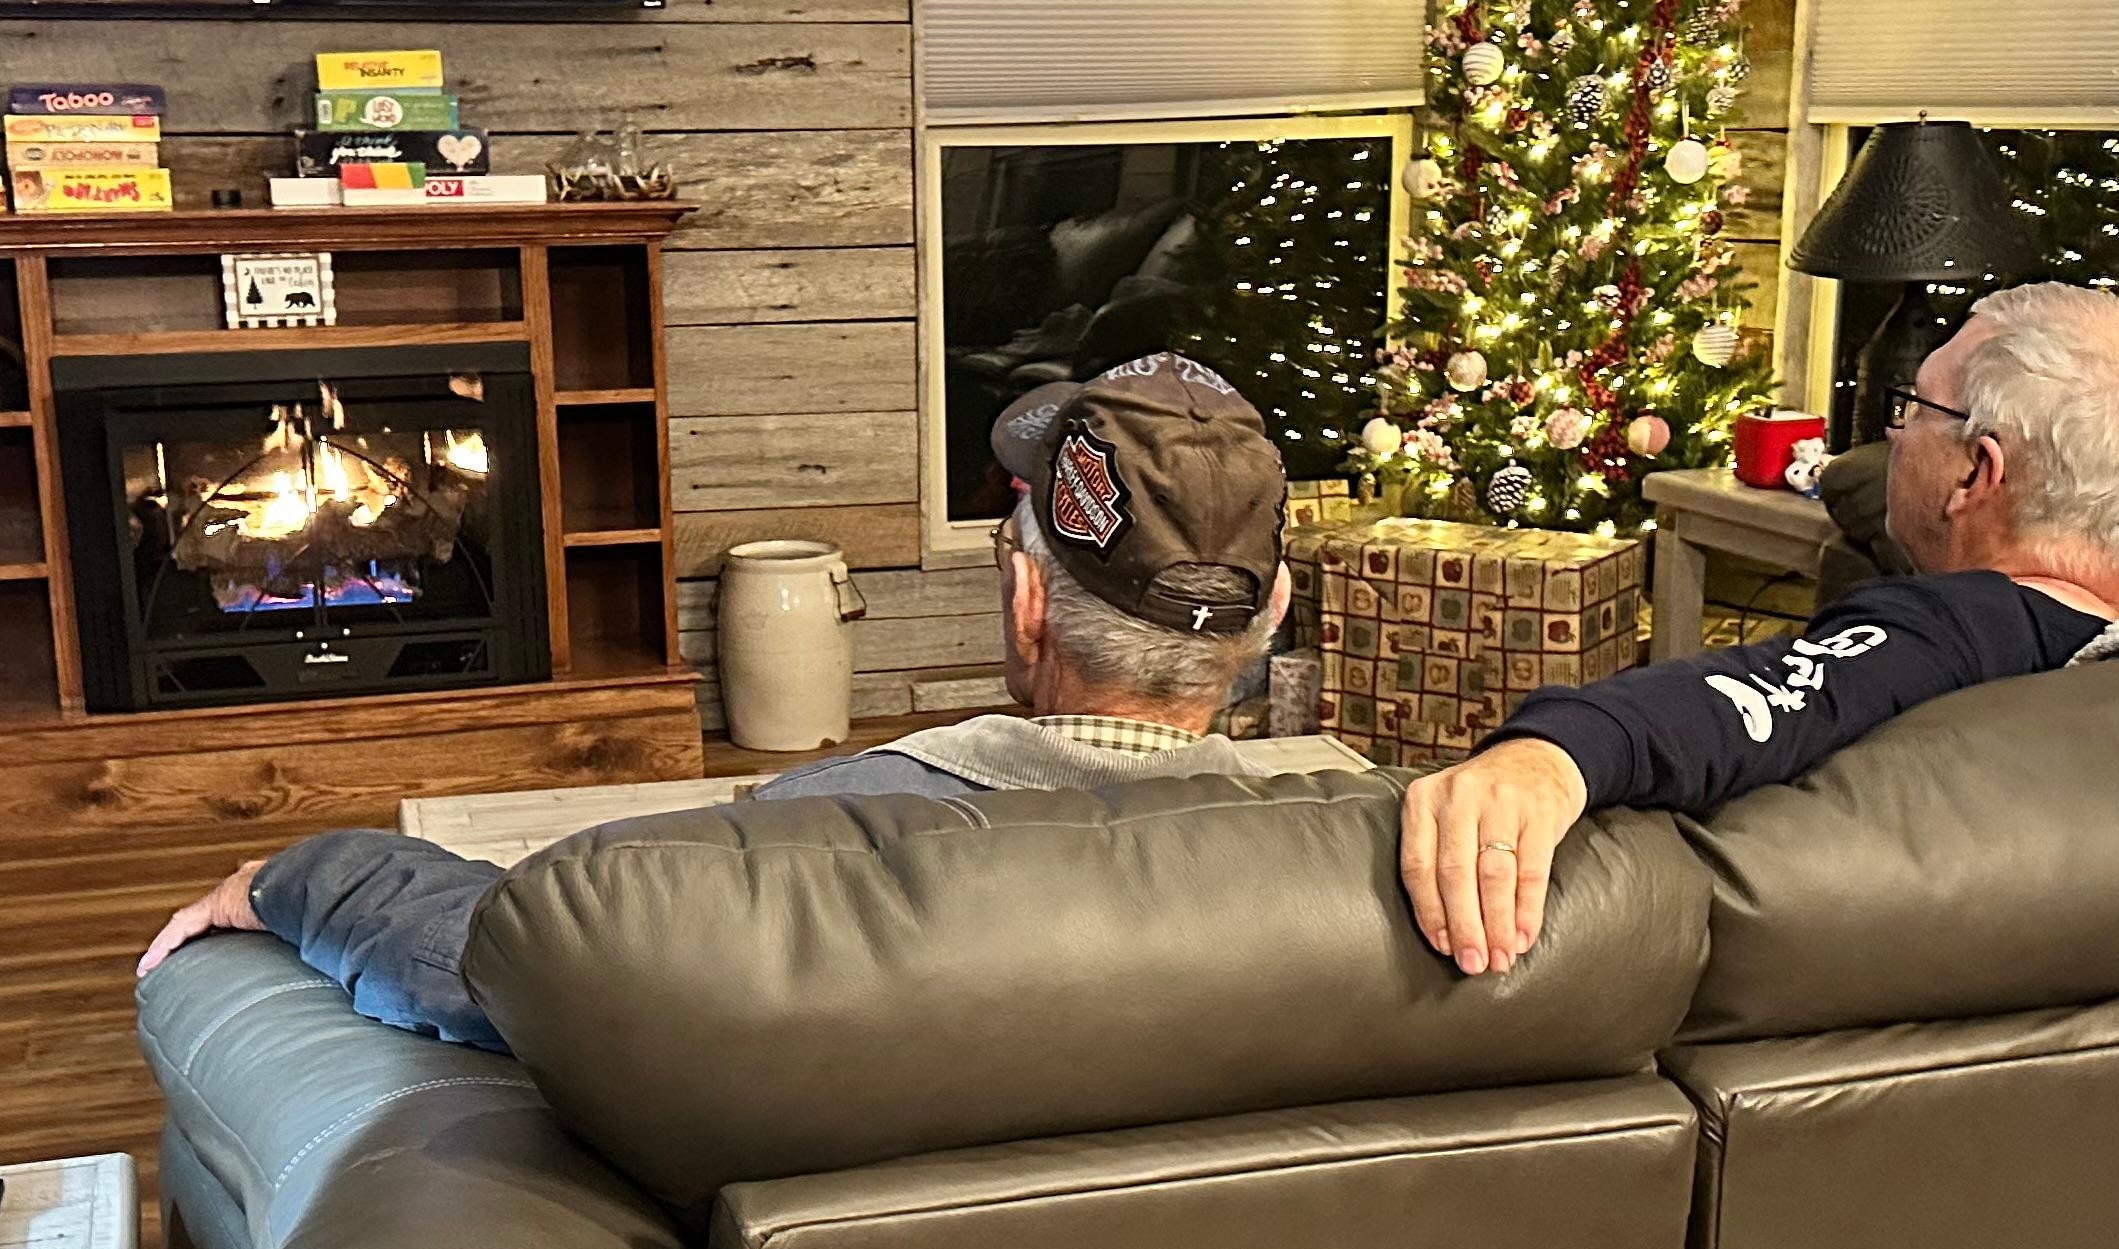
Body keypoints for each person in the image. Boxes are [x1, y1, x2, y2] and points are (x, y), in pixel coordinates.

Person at [138, 353, 1334, 1045]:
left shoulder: (811, 848)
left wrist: (302, 877)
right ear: (1273, 608)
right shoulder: (1361, 863)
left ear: (1026, 599)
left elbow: (525, 950)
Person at [1399, 281, 2119, 977]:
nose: (1893, 434)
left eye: (1915, 408)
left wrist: (1553, 754)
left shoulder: (1955, 632)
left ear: (1977, 471)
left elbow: (1763, 698)